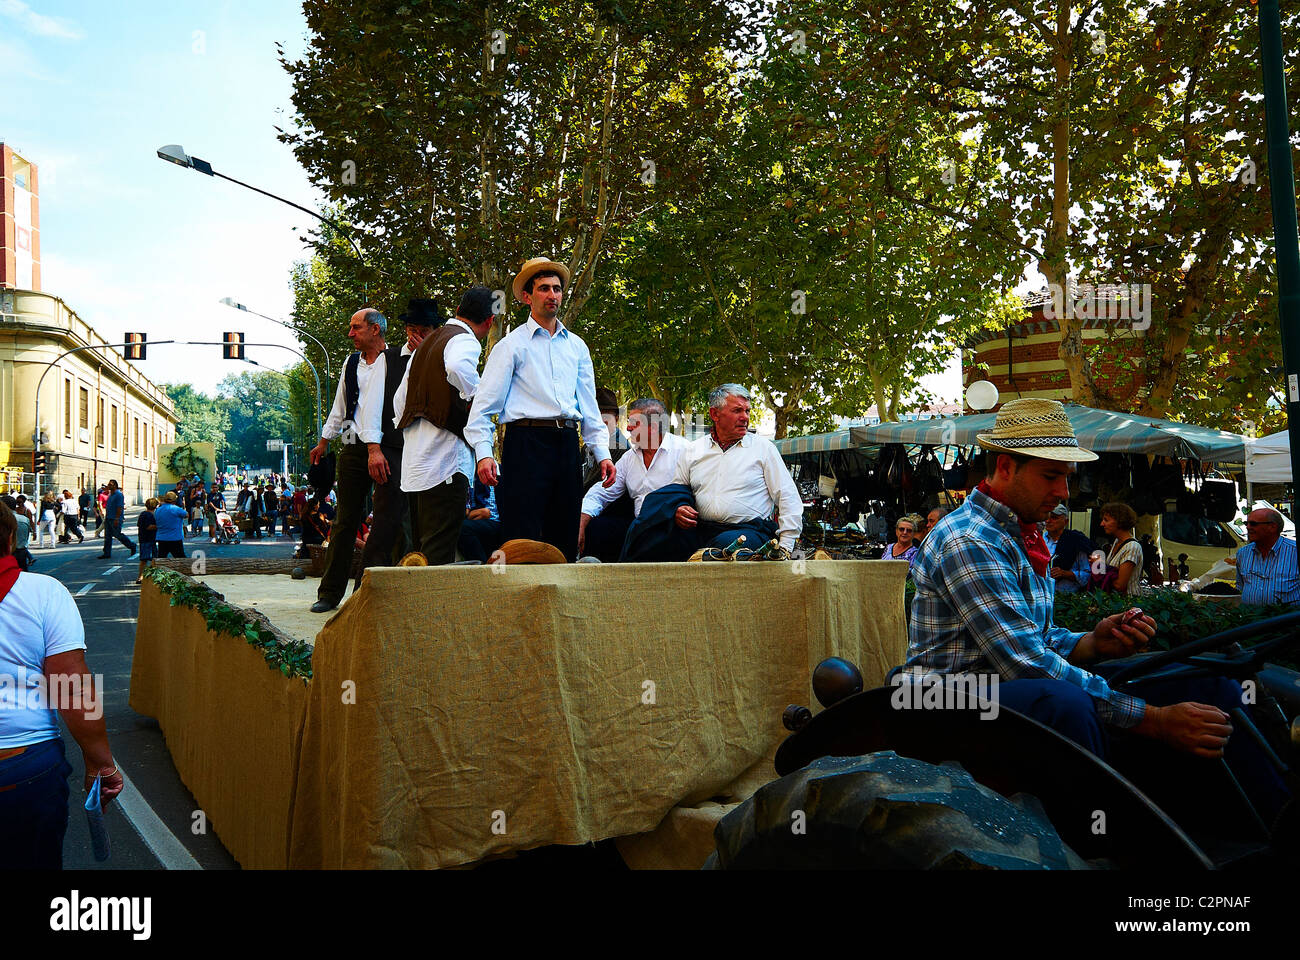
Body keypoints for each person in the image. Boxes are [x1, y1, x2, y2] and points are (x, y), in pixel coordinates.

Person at [905, 398, 1289, 825]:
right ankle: (1110, 837)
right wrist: (1154, 720)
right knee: (1067, 703)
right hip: (945, 703)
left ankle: (1269, 823)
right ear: (1006, 467)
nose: (1064, 493)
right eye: (1051, 475)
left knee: (1204, 680)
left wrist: (1092, 642)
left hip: (1009, 689)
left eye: (1067, 477)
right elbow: (1026, 665)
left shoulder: (1021, 534)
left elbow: (1039, 639)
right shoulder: (970, 540)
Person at [465, 257, 614, 562]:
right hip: (525, 445)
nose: (552, 295)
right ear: (527, 297)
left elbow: (589, 409)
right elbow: (481, 410)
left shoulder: (577, 347)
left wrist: (604, 454)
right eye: (544, 288)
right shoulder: (510, 346)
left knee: (564, 533)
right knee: (522, 537)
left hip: (568, 445)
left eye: (557, 289)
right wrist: (484, 454)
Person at [0, 501, 123, 869]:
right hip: (21, 768)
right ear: (10, 539)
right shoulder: (43, 592)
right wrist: (101, 763)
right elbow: (71, 687)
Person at [308, 307, 416, 612]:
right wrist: (323, 442)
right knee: (345, 521)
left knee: (390, 520)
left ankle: (369, 592)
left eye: (356, 328)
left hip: (391, 446)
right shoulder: (351, 362)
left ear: (375, 330)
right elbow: (340, 405)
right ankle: (329, 593)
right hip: (354, 446)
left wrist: (378, 448)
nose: (350, 334)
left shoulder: (398, 360)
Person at [631, 384, 800, 561]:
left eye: (747, 411)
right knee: (652, 539)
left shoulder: (764, 449)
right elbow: (678, 491)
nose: (745, 417)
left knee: (721, 545)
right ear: (714, 414)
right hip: (701, 529)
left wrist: (786, 545)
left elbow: (787, 496)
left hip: (750, 531)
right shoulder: (693, 450)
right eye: (737, 410)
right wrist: (679, 508)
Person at [392, 289, 494, 565]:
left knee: (418, 556)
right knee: (438, 559)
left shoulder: (424, 345)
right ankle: (430, 610)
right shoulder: (464, 339)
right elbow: (459, 367)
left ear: (459, 308)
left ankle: (415, 608)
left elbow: (398, 402)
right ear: (490, 321)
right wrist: (481, 399)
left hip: (415, 467)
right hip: (445, 465)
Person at [579, 398, 688, 562]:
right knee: (595, 529)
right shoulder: (629, 458)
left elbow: (700, 492)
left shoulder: (684, 451)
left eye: (634, 423)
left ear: (653, 427)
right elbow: (601, 493)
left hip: (672, 527)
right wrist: (581, 522)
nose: (628, 427)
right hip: (638, 528)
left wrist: (683, 508)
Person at [1234, 507, 1300, 605]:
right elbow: (1240, 586)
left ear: (1272, 527)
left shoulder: (1294, 552)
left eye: (1253, 524)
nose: (1248, 527)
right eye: (1246, 523)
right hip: (1252, 617)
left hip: (1286, 618)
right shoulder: (1243, 553)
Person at [1100, 501, 1143, 595]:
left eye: (1106, 520)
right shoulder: (1117, 542)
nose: (1102, 524)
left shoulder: (1132, 547)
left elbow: (1120, 585)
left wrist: (1100, 569)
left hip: (1127, 603)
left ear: (1119, 522)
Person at [98, 480, 136, 559]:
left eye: (110, 484)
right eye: (108, 484)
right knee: (107, 536)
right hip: (108, 518)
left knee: (117, 535)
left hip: (115, 518)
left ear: (115, 486)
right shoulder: (110, 494)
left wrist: (117, 518)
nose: (108, 486)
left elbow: (119, 507)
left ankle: (132, 545)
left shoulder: (119, 495)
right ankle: (107, 553)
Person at [2, 495, 34, 571]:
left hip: (7, 553)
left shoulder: (4, 520)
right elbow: (27, 535)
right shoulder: (25, 519)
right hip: (22, 551)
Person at [153, 491, 188, 560]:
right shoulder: (176, 509)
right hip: (175, 538)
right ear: (174, 500)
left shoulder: (158, 510)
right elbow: (186, 515)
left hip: (162, 538)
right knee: (181, 560)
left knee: (161, 559)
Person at [136, 498, 158, 583]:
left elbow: (139, 525)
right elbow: (148, 526)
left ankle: (141, 576)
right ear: (155, 506)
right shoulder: (149, 515)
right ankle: (142, 576)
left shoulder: (143, 514)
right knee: (150, 559)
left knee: (145, 559)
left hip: (144, 539)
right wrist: (159, 526)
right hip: (148, 539)